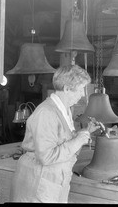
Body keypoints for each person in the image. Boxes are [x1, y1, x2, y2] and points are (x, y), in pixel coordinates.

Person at [10, 65, 100, 203]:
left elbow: (62, 140)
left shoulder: (65, 110)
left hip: (54, 181)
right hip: (40, 184)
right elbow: (46, 156)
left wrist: (85, 132)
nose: (83, 94)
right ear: (67, 88)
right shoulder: (46, 113)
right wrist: (78, 141)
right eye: (81, 89)